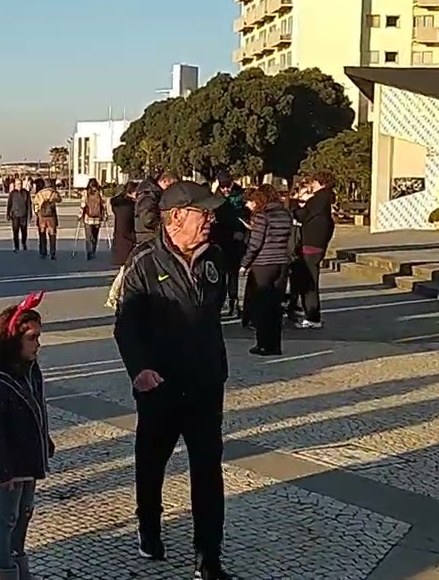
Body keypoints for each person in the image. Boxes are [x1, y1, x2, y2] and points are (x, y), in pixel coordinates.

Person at [113, 181, 233, 580]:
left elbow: (212, 313)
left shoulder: (214, 257)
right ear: (178, 216)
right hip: (160, 385)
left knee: (207, 468)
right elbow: (126, 325)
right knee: (151, 464)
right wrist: (139, 369)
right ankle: (149, 526)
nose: (211, 219)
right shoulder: (144, 261)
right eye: (204, 212)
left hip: (204, 383)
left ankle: (208, 556)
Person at [0, 294, 54, 580]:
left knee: (24, 514)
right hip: (9, 464)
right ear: (13, 339)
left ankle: (19, 563)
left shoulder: (30, 370)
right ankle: (4, 570)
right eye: (32, 338)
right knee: (6, 519)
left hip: (28, 457)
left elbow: (37, 408)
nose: (38, 345)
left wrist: (45, 441)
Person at [239, 184, 294, 357]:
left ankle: (263, 344)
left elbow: (255, 244)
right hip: (282, 262)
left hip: (264, 263)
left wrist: (245, 263)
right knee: (275, 306)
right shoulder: (286, 214)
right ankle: (275, 345)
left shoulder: (263, 216)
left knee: (262, 305)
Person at [288, 171, 335, 329]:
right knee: (307, 280)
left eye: (313, 183)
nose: (311, 186)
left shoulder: (319, 199)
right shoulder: (324, 200)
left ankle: (313, 317)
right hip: (317, 244)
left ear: (320, 183)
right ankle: (310, 314)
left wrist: (293, 204)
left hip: (311, 244)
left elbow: (302, 215)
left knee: (309, 283)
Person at [211, 172, 248, 319]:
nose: (226, 190)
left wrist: (241, 231)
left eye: (228, 186)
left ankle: (233, 302)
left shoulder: (240, 195)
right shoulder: (215, 197)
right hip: (220, 238)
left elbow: (246, 216)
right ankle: (221, 303)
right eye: (223, 187)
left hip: (236, 238)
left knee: (233, 273)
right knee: (220, 274)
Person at [133, 172, 177, 246]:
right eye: (171, 186)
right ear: (165, 181)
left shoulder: (155, 194)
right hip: (149, 237)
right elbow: (148, 219)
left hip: (150, 236)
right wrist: (165, 223)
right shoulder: (148, 195)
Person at [109, 181, 138, 267]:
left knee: (123, 270)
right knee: (125, 271)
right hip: (127, 241)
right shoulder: (129, 206)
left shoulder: (118, 204)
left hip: (119, 239)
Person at [31, 179, 62, 260]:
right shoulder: (53, 193)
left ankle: (43, 251)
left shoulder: (39, 194)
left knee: (42, 234)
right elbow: (59, 200)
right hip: (51, 217)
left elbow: (35, 205)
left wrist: (38, 214)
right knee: (52, 235)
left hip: (42, 217)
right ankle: (52, 253)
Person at [79, 178, 108, 260]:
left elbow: (83, 205)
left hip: (88, 218)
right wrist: (105, 215)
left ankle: (89, 252)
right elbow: (104, 205)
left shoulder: (86, 193)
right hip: (97, 218)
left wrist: (80, 215)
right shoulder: (100, 193)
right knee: (95, 236)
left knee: (88, 236)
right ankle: (93, 251)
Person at [6, 179, 32, 253]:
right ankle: (16, 246)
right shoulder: (12, 193)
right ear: (15, 185)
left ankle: (24, 243)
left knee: (24, 231)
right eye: (17, 184)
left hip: (23, 215)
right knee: (15, 231)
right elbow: (9, 204)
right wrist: (8, 214)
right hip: (15, 215)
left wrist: (30, 214)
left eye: (20, 184)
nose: (19, 185)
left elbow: (29, 204)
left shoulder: (26, 193)